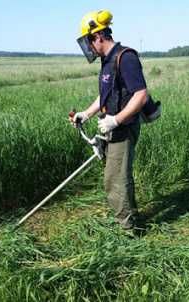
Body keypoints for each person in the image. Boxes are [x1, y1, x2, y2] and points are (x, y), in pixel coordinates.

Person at [70, 10, 148, 231]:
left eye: (88, 42)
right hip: (112, 126)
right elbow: (106, 95)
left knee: (114, 180)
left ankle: (129, 231)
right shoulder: (107, 61)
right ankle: (130, 218)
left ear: (98, 36)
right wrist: (86, 114)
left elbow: (140, 94)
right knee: (118, 176)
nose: (89, 47)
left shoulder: (126, 57)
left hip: (123, 129)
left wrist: (116, 120)